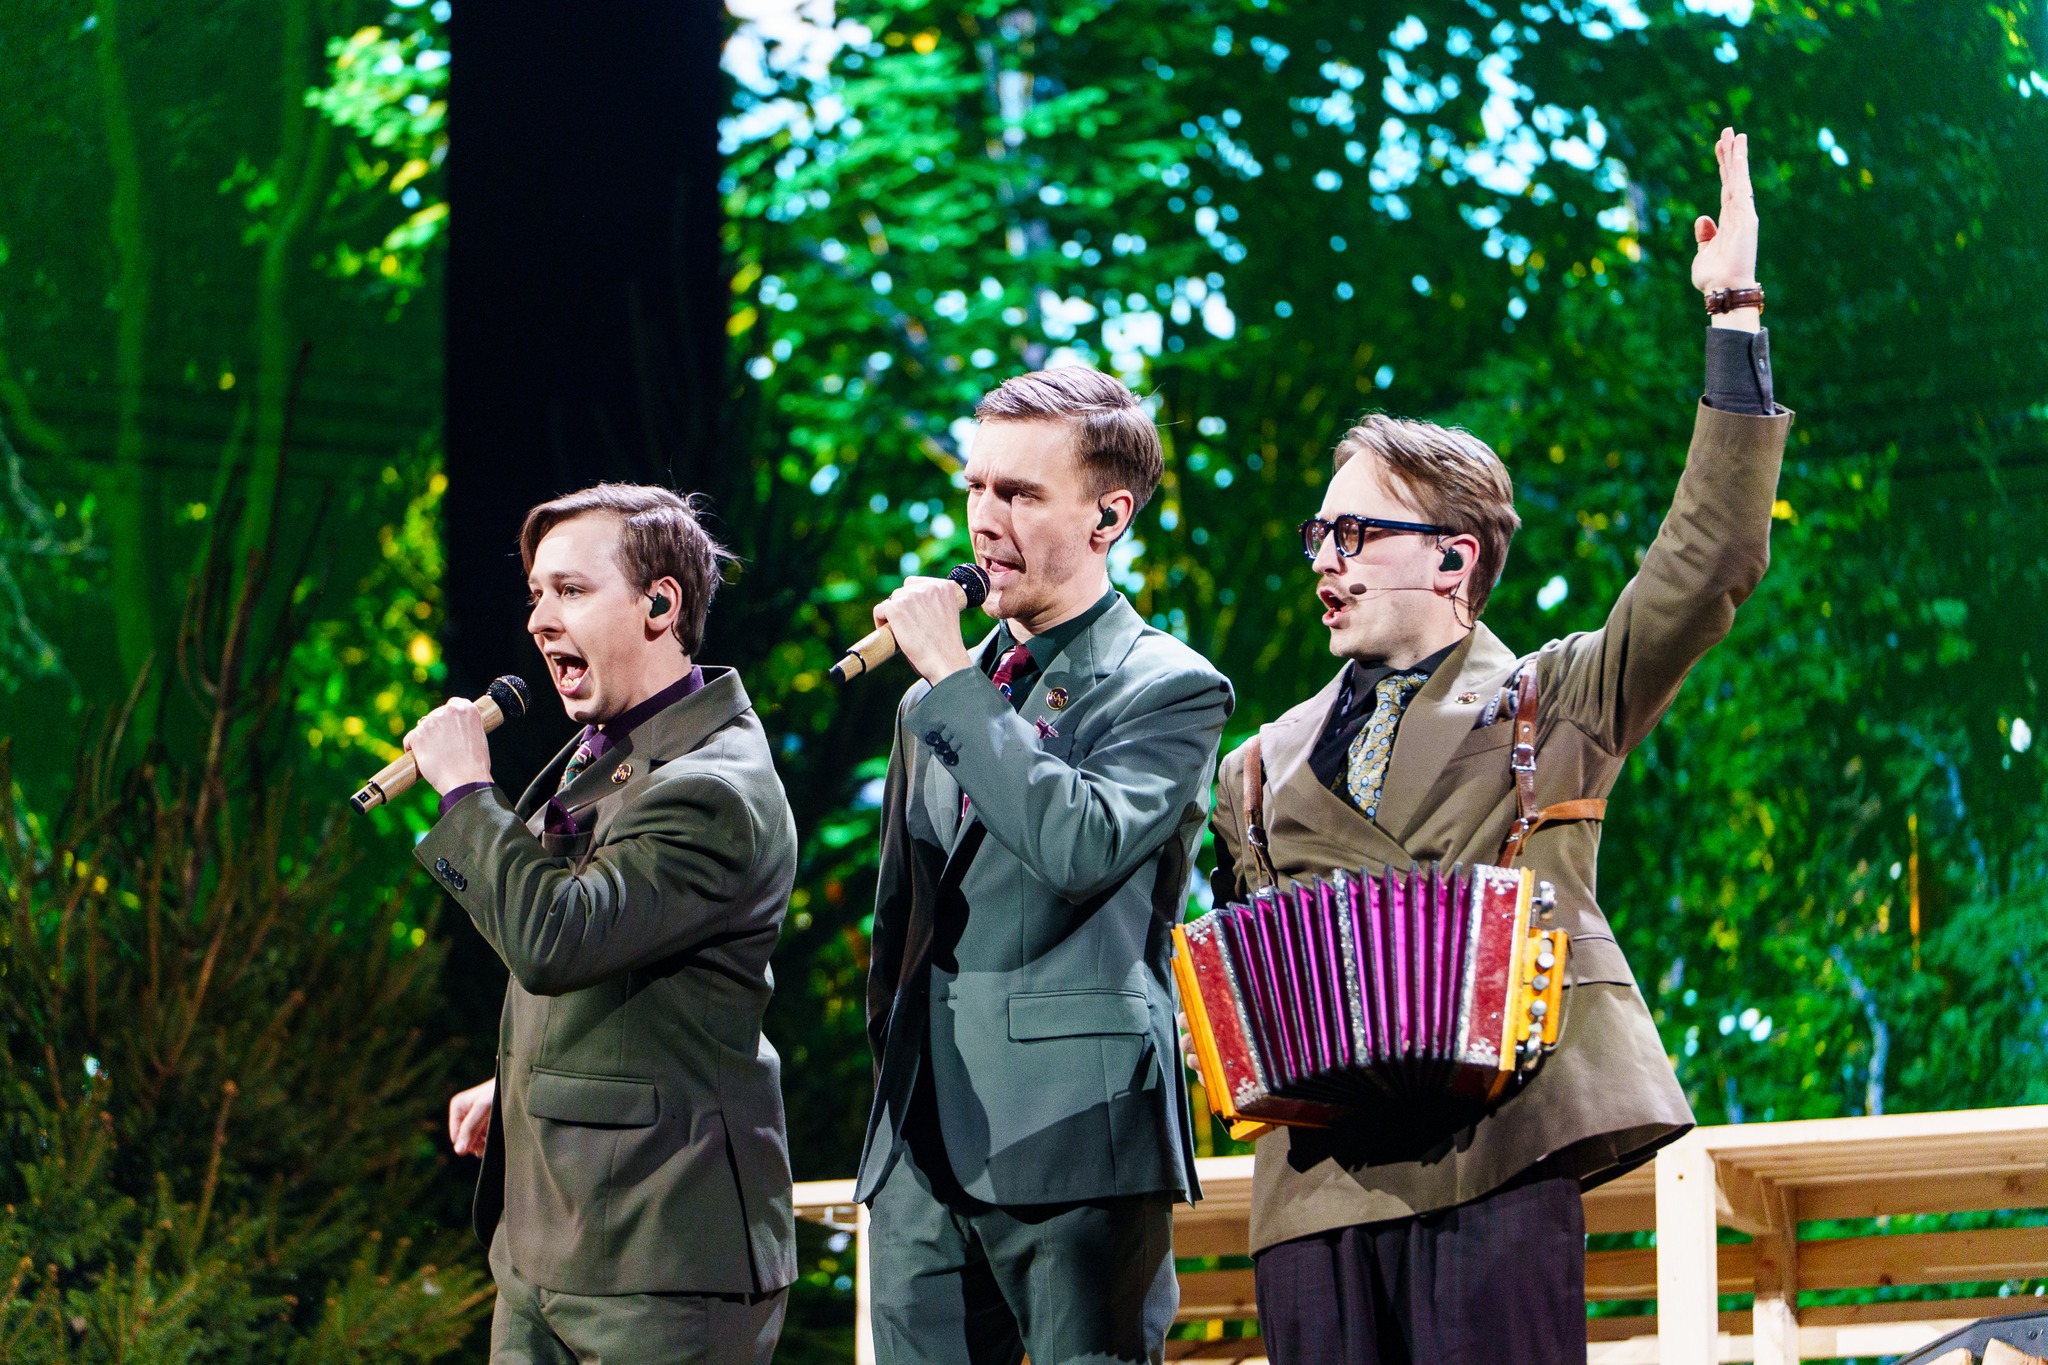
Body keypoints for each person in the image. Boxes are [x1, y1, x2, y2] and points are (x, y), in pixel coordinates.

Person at [1202, 127, 1789, 1363]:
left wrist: (1731, 315)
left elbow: (1707, 560)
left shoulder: (1552, 700)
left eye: (1354, 535)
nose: (1324, 563)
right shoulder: (1254, 769)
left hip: (1499, 1154)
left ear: (1453, 557)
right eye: (1316, 538)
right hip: (1314, 1195)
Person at [856, 367, 1234, 1364]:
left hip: (1076, 1138)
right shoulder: (930, 704)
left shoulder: (1168, 686)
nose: (986, 520)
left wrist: (951, 676)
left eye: (1020, 494)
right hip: (921, 1146)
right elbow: (900, 919)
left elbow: (1079, 846)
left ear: (1109, 516)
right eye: (976, 488)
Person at [405, 484, 796, 1364]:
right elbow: (620, 958)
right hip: (548, 1247)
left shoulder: (711, 788)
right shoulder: (610, 748)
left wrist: (467, 792)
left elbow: (558, 937)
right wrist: (525, 1078)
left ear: (661, 604)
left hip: (661, 1259)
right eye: (537, 593)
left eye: (572, 591)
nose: (540, 619)